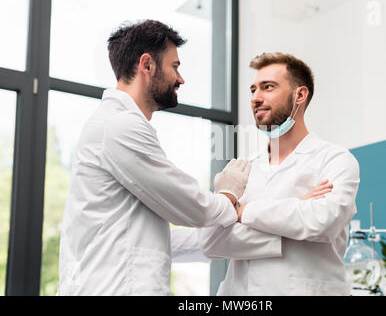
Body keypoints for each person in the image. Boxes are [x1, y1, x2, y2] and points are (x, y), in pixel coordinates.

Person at [57, 20, 250, 296]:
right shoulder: (119, 126)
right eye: (175, 67)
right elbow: (190, 205)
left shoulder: (117, 125)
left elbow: (152, 237)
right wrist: (229, 195)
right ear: (147, 65)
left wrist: (228, 231)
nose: (180, 79)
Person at [199, 52, 360, 295]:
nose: (255, 98)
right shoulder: (239, 171)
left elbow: (322, 222)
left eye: (268, 87)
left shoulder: (336, 160)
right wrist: (296, 211)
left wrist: (241, 212)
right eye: (253, 90)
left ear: (300, 95)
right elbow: (210, 242)